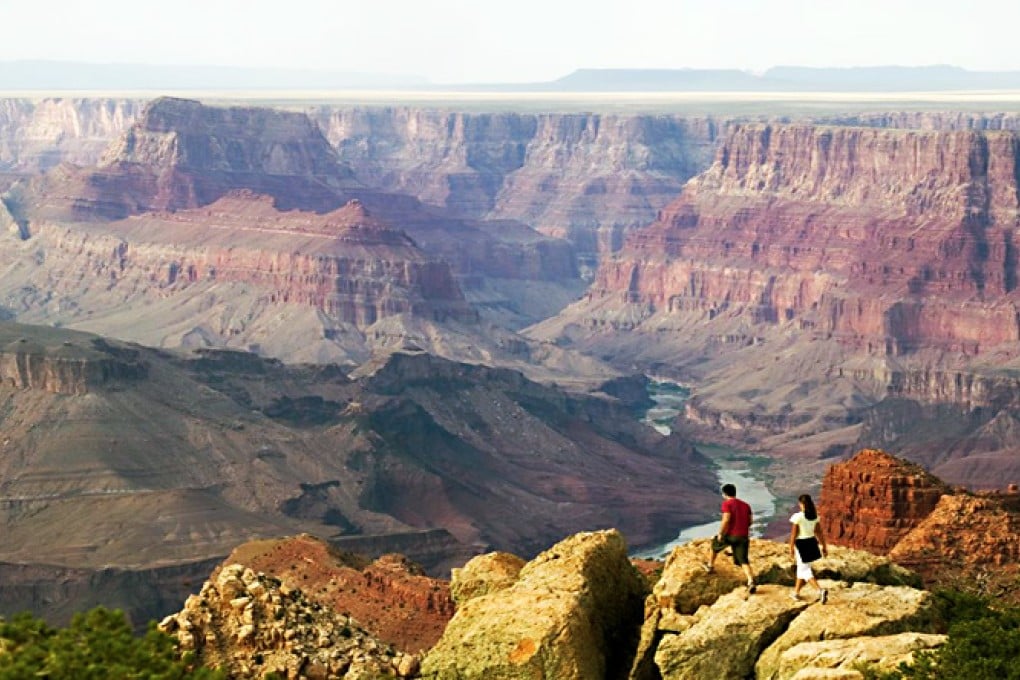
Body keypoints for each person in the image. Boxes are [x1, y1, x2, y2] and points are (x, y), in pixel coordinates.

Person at [704, 483, 756, 593]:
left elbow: (726, 519)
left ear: (724, 494)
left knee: (715, 544)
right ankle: (751, 581)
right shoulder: (746, 505)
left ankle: (710, 566)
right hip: (743, 536)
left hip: (731, 535)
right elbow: (750, 521)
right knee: (744, 561)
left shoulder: (727, 504)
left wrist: (721, 534)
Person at [789, 493, 828, 603]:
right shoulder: (815, 516)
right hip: (812, 544)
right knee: (802, 569)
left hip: (802, 545)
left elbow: (793, 534)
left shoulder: (798, 517)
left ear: (801, 504)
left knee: (805, 570)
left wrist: (791, 547)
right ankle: (796, 593)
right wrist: (824, 547)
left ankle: (820, 591)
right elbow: (819, 533)